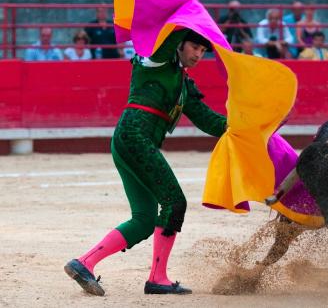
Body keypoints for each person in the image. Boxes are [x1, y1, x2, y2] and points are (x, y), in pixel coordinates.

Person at [64, 29, 227, 296]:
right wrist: (185, 22)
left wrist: (247, 128)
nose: (198, 54)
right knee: (175, 202)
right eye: (194, 47)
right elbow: (170, 38)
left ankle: (83, 264)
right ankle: (158, 278)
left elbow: (207, 119)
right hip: (135, 138)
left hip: (130, 141)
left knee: (144, 219)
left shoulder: (183, 83)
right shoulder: (157, 57)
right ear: (179, 44)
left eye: (203, 50)